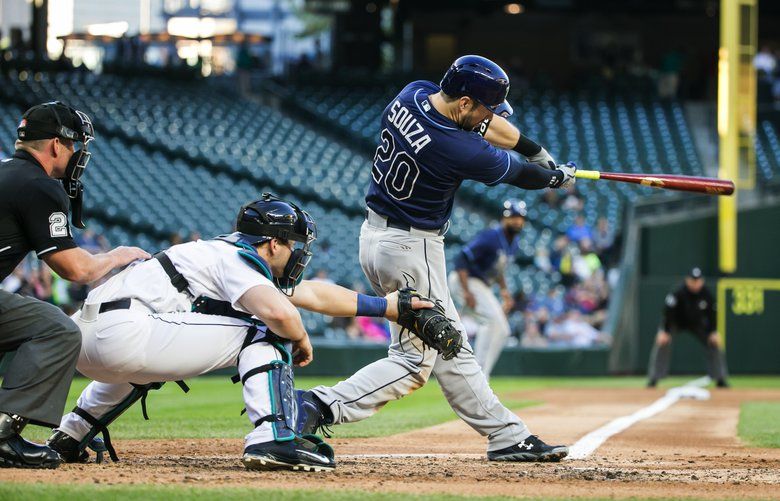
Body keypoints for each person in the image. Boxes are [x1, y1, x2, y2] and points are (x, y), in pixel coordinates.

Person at [297, 55, 574, 462]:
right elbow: (519, 173)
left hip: (375, 237)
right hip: (413, 252)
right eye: (483, 108)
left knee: (450, 345)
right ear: (464, 102)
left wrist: (536, 150)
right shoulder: (457, 147)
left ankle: (507, 435)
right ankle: (318, 405)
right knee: (414, 362)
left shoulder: (413, 94)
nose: (488, 117)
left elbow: (488, 126)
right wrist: (554, 175)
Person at [46, 194, 432, 472]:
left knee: (148, 359)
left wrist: (386, 307)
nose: (300, 253)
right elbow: (282, 313)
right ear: (274, 242)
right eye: (295, 244)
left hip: (90, 336)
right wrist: (299, 337)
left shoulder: (220, 254)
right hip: (126, 333)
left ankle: (71, 433)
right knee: (266, 331)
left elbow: (311, 293)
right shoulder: (237, 260)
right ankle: (273, 436)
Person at [0, 102, 150, 469]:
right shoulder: (38, 185)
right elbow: (75, 268)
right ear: (55, 144)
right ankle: (4, 433)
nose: (77, 156)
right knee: (57, 329)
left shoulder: (5, 172)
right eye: (74, 146)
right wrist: (120, 254)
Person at [447, 200, 527, 378]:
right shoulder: (491, 236)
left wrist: (505, 291)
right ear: (503, 218)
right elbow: (462, 259)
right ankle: (478, 377)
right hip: (466, 280)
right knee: (491, 322)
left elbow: (498, 271)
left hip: (481, 284)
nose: (517, 221)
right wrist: (466, 291)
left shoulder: (513, 243)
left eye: (520, 217)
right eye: (513, 217)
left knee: (503, 330)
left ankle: (482, 375)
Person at [647, 267, 730, 388]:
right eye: (693, 280)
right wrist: (664, 331)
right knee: (662, 342)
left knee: (714, 342)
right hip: (676, 322)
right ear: (687, 280)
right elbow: (668, 312)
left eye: (698, 280)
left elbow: (712, 314)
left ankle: (720, 379)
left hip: (697, 323)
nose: (695, 283)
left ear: (702, 281)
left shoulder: (706, 294)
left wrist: (713, 331)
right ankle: (654, 378)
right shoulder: (678, 292)